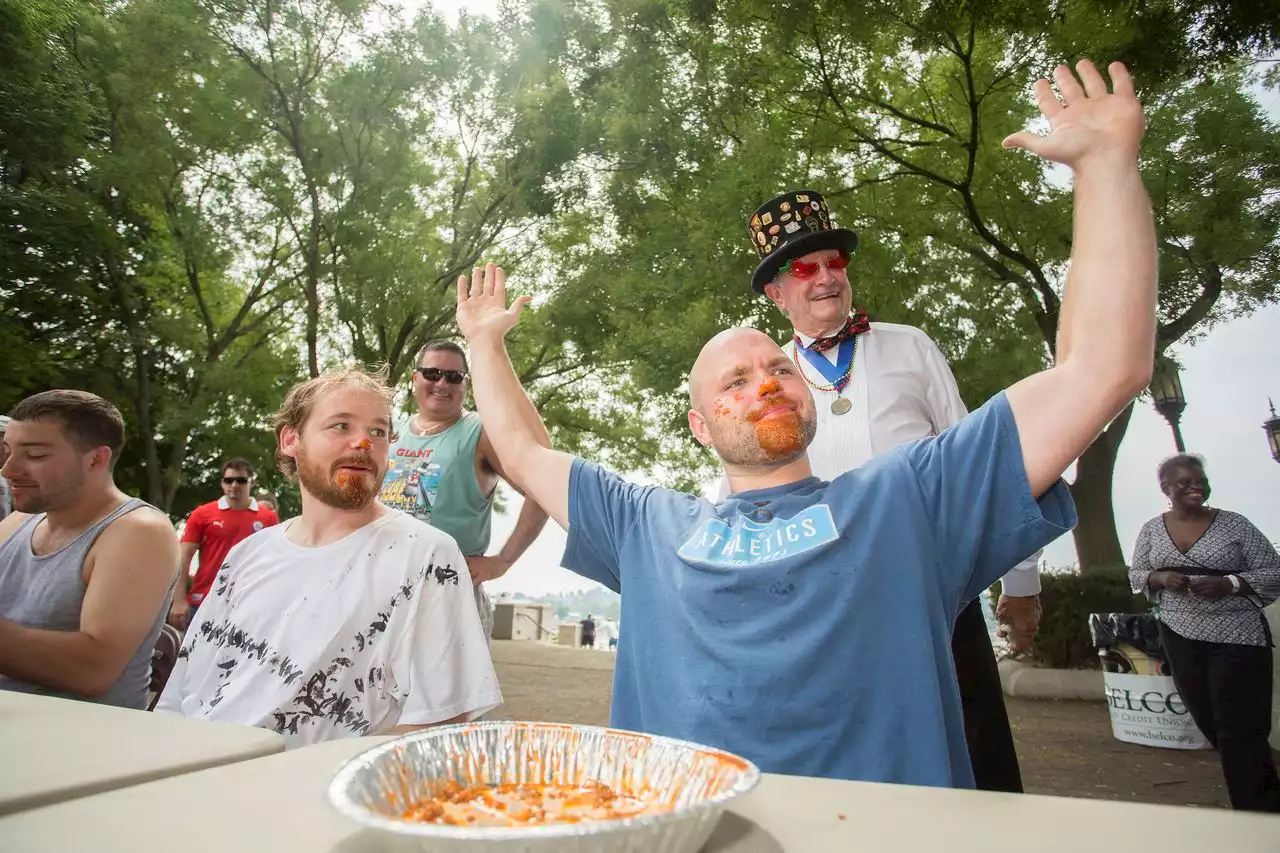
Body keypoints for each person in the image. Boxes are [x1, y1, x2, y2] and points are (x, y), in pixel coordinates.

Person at [455, 59, 1154, 785]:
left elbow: (1101, 369)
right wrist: (484, 344)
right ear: (699, 426)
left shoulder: (909, 500)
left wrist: (1106, 167)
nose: (765, 380)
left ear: (807, 397)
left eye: (778, 371)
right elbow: (520, 449)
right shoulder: (645, 524)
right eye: (735, 379)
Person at [740, 188, 1044, 792]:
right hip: (822, 607)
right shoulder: (765, 378)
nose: (826, 277)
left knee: (975, 762)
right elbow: (747, 491)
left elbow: (978, 468)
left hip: (936, 591)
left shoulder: (910, 345)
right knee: (847, 769)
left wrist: (1022, 582)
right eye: (804, 268)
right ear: (777, 293)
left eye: (835, 263)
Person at [156, 367, 501, 747]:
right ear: (291, 439)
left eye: (378, 431)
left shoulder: (426, 556)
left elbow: (441, 724)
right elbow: (180, 694)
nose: (363, 443)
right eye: (341, 426)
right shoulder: (248, 554)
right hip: (198, 769)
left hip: (306, 794)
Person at [0, 390, 177, 708]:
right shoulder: (16, 523)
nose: (8, 469)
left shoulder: (139, 531)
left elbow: (93, 670)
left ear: (97, 458)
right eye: (7, 451)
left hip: (81, 744)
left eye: (35, 455)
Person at [1129, 454, 1280, 812]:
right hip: (1179, 634)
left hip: (1238, 635)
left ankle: (1259, 811)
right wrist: (1159, 577)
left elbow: (1274, 571)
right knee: (1209, 719)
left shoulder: (1235, 525)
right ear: (1166, 488)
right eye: (1184, 482)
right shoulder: (1152, 529)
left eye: (1199, 480)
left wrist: (1230, 583)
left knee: (1239, 726)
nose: (1195, 486)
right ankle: (1263, 786)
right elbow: (1136, 574)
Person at [379, 341, 551, 641]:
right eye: (432, 373)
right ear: (415, 379)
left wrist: (503, 561)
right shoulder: (394, 431)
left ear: (466, 385)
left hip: (450, 595)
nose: (441, 383)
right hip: (387, 592)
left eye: (454, 376)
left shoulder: (480, 433)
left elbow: (544, 489)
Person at [170, 458, 279, 630]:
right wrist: (178, 599)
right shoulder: (203, 514)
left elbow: (274, 561)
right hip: (204, 602)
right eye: (229, 480)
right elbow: (183, 557)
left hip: (249, 604)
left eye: (241, 480)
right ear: (222, 483)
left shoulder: (268, 518)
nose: (234, 485)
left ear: (252, 482)